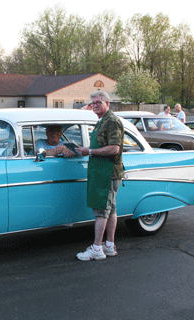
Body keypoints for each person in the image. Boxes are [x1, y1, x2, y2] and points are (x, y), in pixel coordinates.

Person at [75, 90, 124, 261]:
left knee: (101, 211)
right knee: (110, 210)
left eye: (98, 102)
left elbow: (114, 148)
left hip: (108, 172)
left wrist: (89, 151)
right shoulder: (102, 121)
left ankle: (97, 248)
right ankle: (109, 246)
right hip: (102, 171)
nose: (95, 106)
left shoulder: (112, 121)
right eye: (93, 103)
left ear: (107, 103)